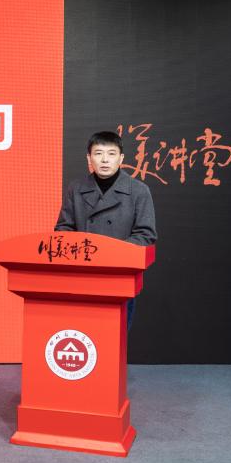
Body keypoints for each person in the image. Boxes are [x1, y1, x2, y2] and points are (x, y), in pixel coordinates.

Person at [54, 131, 157, 329]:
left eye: (111, 154)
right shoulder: (76, 188)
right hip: (82, 275)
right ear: (89, 158)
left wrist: (111, 253)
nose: (104, 160)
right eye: (98, 153)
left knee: (114, 335)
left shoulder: (138, 190)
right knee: (84, 335)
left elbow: (146, 235)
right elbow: (63, 229)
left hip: (120, 276)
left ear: (121, 158)